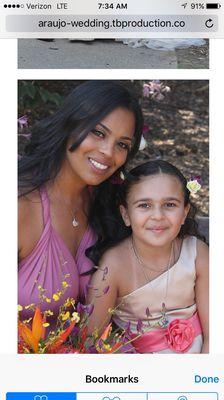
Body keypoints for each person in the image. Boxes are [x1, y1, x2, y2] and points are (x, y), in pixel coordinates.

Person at [18, 80, 143, 325]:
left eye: (122, 144)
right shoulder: (20, 206)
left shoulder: (106, 204)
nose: (108, 152)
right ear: (70, 124)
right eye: (98, 132)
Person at [87, 160, 209, 353]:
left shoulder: (198, 254)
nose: (158, 216)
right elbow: (91, 340)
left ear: (184, 212)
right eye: (144, 205)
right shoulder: (114, 266)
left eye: (169, 204)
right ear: (126, 214)